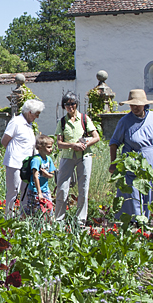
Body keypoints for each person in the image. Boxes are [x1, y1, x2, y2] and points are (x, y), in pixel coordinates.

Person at [108, 89, 153, 218]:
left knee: (152, 191)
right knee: (133, 192)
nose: (134, 108)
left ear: (144, 104)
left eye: (137, 105)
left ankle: (148, 221)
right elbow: (114, 143)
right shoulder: (125, 121)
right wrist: (113, 163)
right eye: (132, 105)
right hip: (133, 163)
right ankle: (134, 221)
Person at [53, 92, 100, 226]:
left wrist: (85, 144)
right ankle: (59, 220)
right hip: (67, 156)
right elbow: (59, 143)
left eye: (72, 103)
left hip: (84, 157)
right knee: (62, 188)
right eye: (67, 104)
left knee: (83, 188)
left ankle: (80, 221)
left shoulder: (84, 118)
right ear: (64, 106)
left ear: (76, 104)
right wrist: (73, 145)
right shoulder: (62, 122)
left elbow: (96, 137)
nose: (70, 106)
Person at [1, 99, 44, 216]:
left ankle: (22, 217)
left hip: (26, 165)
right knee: (13, 191)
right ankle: (9, 218)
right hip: (15, 163)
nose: (37, 117)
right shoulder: (16, 122)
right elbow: (4, 141)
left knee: (25, 192)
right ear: (30, 112)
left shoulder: (29, 124)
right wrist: (14, 153)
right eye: (36, 114)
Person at [23, 134, 56, 219]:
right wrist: (39, 192)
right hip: (35, 190)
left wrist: (46, 174)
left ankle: (49, 227)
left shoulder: (49, 159)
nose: (51, 149)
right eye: (48, 147)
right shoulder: (36, 160)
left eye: (51, 147)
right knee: (32, 211)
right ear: (40, 148)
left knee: (49, 209)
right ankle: (23, 225)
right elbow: (35, 176)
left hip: (45, 189)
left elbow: (51, 175)